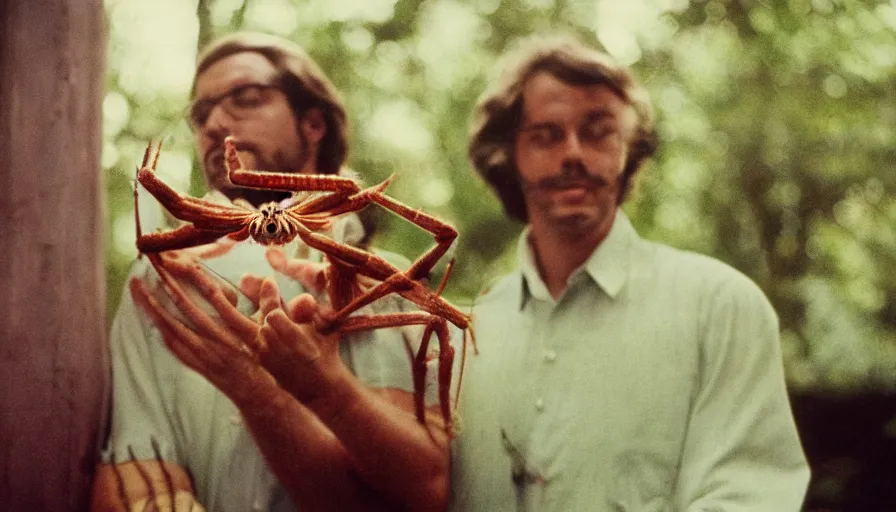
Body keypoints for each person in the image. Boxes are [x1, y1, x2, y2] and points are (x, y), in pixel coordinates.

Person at [91, 32, 451, 512]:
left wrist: (292, 389)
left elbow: (417, 493)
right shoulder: (165, 275)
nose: (216, 123)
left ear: (314, 123)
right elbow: (139, 473)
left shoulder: (384, 280)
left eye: (246, 99)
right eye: (200, 116)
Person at [450, 35, 810, 511]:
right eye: (546, 135)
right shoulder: (463, 337)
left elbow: (748, 497)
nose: (573, 153)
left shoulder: (720, 307)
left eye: (597, 131)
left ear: (630, 148)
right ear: (507, 156)